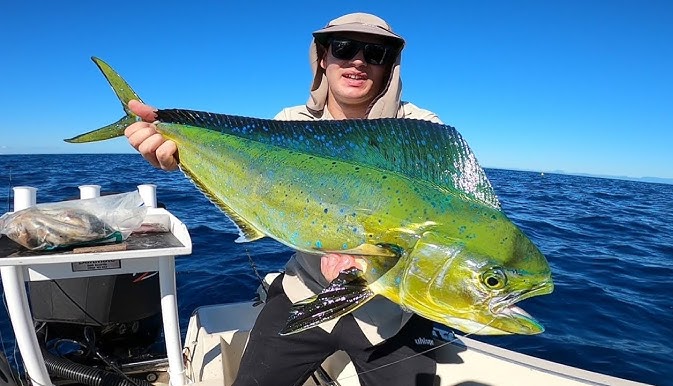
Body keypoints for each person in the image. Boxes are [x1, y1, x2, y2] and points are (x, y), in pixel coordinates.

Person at [125, 12, 443, 386]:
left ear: (390, 65)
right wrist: (181, 155)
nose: (358, 60)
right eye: (344, 48)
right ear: (323, 57)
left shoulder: (420, 133)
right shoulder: (289, 122)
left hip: (390, 309)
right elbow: (251, 184)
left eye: (376, 53)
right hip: (305, 289)